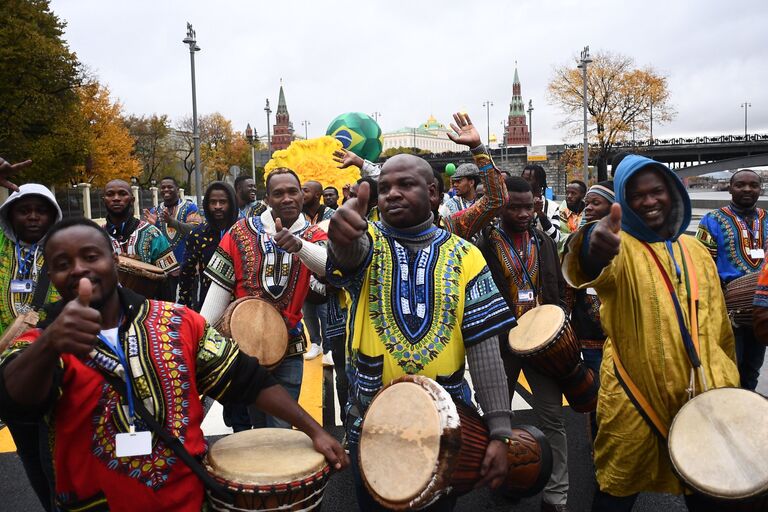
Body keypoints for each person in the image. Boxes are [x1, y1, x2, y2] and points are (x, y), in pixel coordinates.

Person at [0, 217, 347, 512]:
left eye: (91, 256)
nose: (78, 269)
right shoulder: (37, 343)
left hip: (186, 500)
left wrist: (313, 429)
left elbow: (245, 379)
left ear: (115, 259)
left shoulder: (177, 322)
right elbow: (12, 399)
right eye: (62, 264)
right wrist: (49, 344)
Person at [327, 153, 517, 511]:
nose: (392, 194)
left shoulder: (467, 256)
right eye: (384, 188)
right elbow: (350, 253)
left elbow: (484, 350)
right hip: (371, 428)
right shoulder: (368, 241)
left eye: (405, 185)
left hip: (445, 432)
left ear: (433, 193)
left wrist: (500, 433)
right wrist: (341, 235)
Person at [561, 155, 739, 511]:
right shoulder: (620, 247)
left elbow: (719, 327)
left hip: (700, 397)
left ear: (673, 193)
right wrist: (593, 244)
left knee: (710, 488)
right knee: (616, 491)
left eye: (656, 191)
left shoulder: (697, 251)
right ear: (624, 202)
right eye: (636, 195)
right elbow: (588, 263)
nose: (648, 200)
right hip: (635, 399)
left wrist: (730, 385)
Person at [201, 168, 328, 429]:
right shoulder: (240, 232)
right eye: (278, 193)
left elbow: (330, 266)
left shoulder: (314, 236)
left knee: (279, 431)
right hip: (241, 351)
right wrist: (198, 339)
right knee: (252, 429)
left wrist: (300, 246)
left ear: (302, 196)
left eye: (293, 191)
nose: (287, 198)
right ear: (267, 199)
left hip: (289, 350)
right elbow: (219, 290)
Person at [478, 176, 569, 512]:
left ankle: (556, 496)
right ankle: (503, 480)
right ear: (501, 207)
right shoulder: (484, 246)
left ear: (537, 205)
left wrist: (560, 322)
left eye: (528, 206)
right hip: (501, 344)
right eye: (513, 206)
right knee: (495, 419)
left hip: (541, 344)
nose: (522, 213)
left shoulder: (544, 242)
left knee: (554, 419)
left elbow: (557, 287)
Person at [0, 183, 62, 511]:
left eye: (42, 210)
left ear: (53, 214)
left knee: (55, 457)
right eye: (25, 210)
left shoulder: (65, 248)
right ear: (10, 214)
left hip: (57, 371)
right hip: (9, 372)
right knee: (28, 455)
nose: (33, 216)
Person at [696, 169, 766, 390]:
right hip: (727, 311)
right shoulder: (712, 220)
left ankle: (748, 409)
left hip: (762, 309)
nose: (747, 189)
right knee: (728, 366)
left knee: (753, 368)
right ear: (730, 188)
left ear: (760, 189)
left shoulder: (767, 219)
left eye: (753, 185)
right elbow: (703, 265)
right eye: (740, 185)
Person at [568, 181, 614, 443]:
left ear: (613, 207)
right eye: (587, 203)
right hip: (589, 332)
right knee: (596, 396)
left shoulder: (626, 242)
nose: (588, 207)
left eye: (595, 203)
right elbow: (569, 285)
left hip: (619, 336)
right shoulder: (579, 238)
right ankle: (598, 450)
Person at [178, 182, 239, 311]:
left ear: (232, 204)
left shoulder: (244, 232)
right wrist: (185, 308)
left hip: (240, 306)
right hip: (209, 305)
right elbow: (186, 273)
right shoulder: (197, 234)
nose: (217, 206)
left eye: (223, 202)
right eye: (213, 202)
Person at [102, 180, 178, 280]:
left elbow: (171, 274)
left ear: (132, 200)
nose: (116, 198)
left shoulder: (152, 234)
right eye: (110, 194)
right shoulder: (95, 236)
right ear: (103, 200)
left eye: (122, 194)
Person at [301, 180, 335, 362]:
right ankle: (315, 343)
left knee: (325, 312)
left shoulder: (331, 214)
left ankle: (328, 348)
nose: (301, 194)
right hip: (304, 270)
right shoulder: (297, 215)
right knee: (308, 312)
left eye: (305, 190)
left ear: (316, 194)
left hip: (324, 270)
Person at [143, 176, 202, 274]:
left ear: (177, 190)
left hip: (188, 265)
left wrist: (172, 222)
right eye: (163, 187)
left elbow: (195, 230)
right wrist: (152, 226)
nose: (166, 189)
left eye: (170, 187)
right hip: (163, 269)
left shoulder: (190, 207)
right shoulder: (155, 211)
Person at [521, 164, 560, 242]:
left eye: (529, 179)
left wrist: (540, 213)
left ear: (540, 182)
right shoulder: (516, 203)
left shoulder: (552, 207)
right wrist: (531, 211)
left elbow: (556, 239)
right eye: (523, 179)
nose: (524, 183)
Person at [558, 179, 587, 252]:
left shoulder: (588, 214)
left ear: (583, 195)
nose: (569, 196)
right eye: (567, 193)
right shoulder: (558, 213)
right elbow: (556, 237)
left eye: (573, 193)